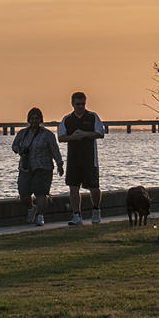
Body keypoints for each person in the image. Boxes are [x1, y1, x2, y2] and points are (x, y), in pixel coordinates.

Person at [58, 91, 105, 225]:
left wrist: (84, 134)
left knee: (94, 187)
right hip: (73, 159)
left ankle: (96, 211)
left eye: (83, 104)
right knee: (73, 187)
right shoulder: (67, 119)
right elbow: (61, 137)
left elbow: (100, 133)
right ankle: (76, 215)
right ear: (72, 104)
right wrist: (73, 137)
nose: (80, 106)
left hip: (90, 159)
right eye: (78, 104)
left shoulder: (92, 116)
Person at [12, 107, 64, 227]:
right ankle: (31, 208)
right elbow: (14, 146)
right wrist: (20, 149)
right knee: (23, 194)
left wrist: (59, 164)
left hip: (43, 168)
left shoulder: (47, 135)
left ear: (41, 119)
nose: (34, 120)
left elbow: (55, 150)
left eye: (37, 118)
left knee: (41, 193)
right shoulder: (22, 133)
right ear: (28, 119)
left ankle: (40, 216)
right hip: (26, 168)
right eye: (32, 118)